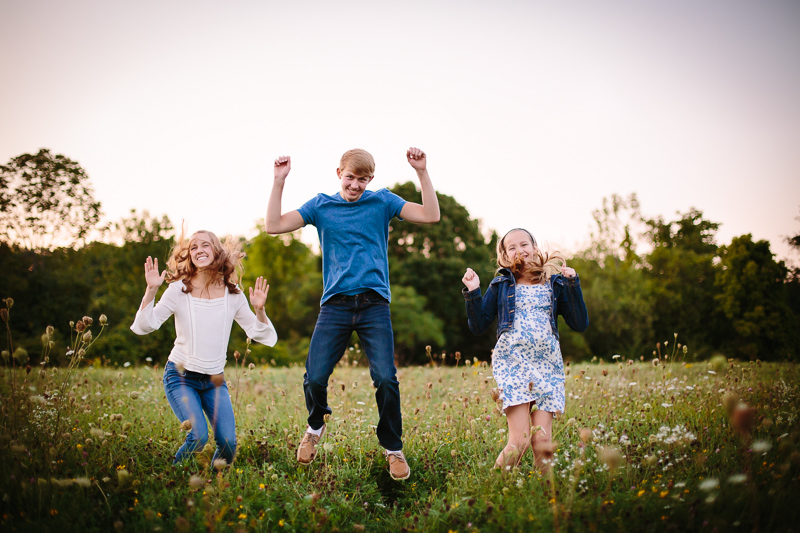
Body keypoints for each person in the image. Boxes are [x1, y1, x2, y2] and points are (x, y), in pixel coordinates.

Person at [266, 147, 439, 480]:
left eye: (363, 179)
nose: (356, 185)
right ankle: (315, 427)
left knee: (386, 378)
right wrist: (278, 181)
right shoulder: (321, 206)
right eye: (350, 177)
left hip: (374, 305)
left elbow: (431, 215)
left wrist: (421, 172)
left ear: (370, 180)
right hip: (335, 307)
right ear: (338, 174)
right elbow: (273, 225)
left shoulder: (383, 202)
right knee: (315, 376)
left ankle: (393, 449)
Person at [130, 230, 277, 466]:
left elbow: (259, 333)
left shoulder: (233, 293)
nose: (199, 250)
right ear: (189, 255)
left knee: (228, 444)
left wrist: (260, 310)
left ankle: (214, 484)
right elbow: (146, 325)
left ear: (217, 251)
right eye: (194, 247)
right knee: (198, 437)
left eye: (205, 245)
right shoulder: (178, 290)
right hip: (180, 377)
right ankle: (173, 478)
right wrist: (151, 289)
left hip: (214, 381)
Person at [461, 228, 588, 470]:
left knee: (542, 441)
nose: (519, 250)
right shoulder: (501, 284)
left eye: (524, 244)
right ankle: (493, 489)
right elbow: (478, 326)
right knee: (518, 441)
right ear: (506, 256)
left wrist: (573, 284)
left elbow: (579, 323)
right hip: (513, 363)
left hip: (547, 365)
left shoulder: (555, 284)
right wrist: (474, 291)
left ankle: (546, 497)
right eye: (512, 247)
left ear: (534, 247)